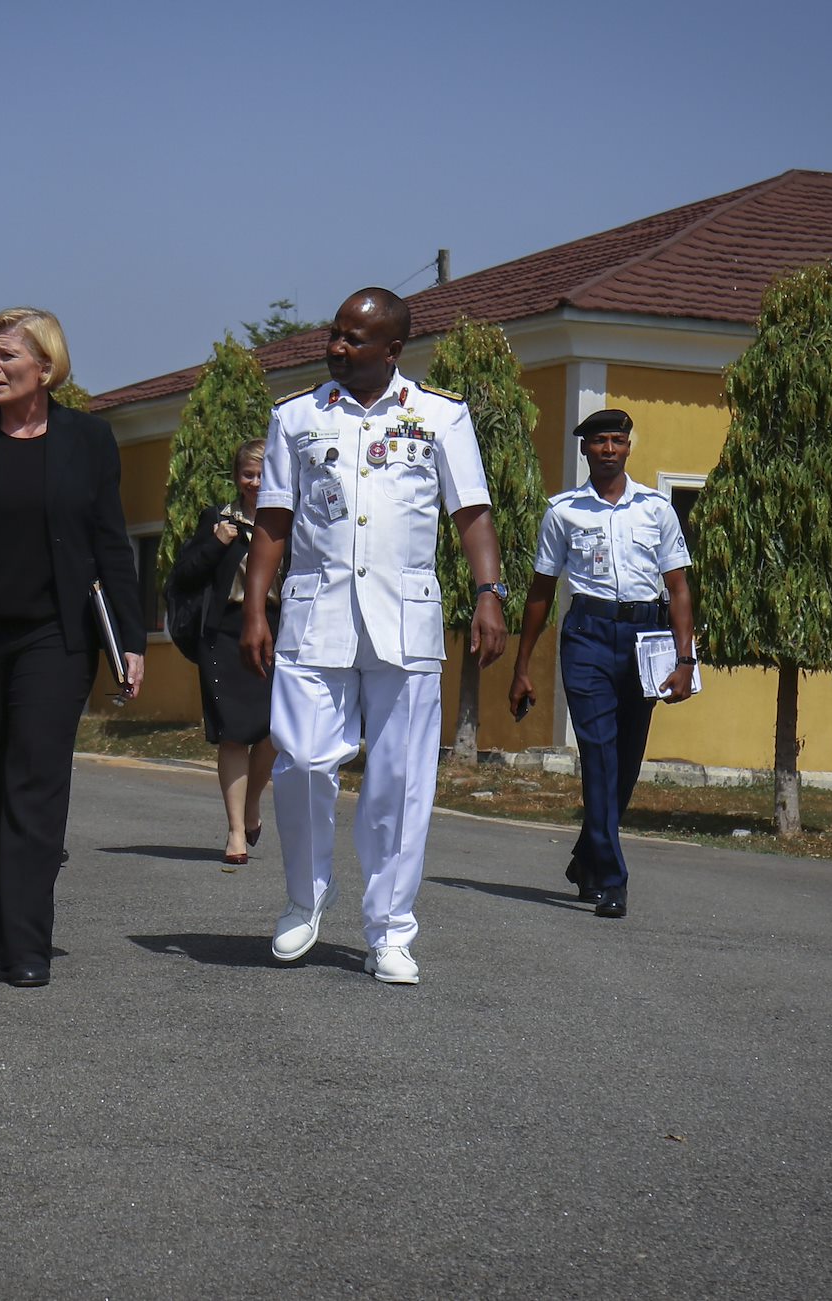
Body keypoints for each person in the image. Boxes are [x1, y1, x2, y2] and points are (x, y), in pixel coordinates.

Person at [240, 287, 509, 986]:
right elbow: (273, 519)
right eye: (335, 334)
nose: (337, 347)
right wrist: (254, 607)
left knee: (400, 781)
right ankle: (304, 900)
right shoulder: (295, 417)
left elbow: (472, 513)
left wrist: (489, 594)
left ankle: (390, 930)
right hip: (313, 618)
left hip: (405, 621)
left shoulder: (440, 415)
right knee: (299, 761)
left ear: (393, 350)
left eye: (355, 339)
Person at [0, 306, 145, 988]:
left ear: (45, 366)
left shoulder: (90, 440)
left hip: (56, 637)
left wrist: (130, 639)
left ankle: (28, 942)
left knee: (36, 783)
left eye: (6, 356)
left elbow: (112, 542)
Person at [507, 408, 697, 919]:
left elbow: (678, 587)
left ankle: (587, 855)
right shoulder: (563, 512)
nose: (609, 449)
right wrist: (522, 666)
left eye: (617, 440)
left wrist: (685, 657)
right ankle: (612, 879)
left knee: (628, 760)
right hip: (587, 636)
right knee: (598, 753)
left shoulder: (656, 509)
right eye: (599, 441)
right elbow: (541, 592)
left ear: (629, 447)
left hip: (645, 637)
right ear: (585, 449)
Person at [167, 438, 277, 868]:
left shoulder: (290, 520)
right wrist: (216, 542)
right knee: (233, 733)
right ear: (237, 478)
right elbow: (184, 574)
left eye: (262, 473)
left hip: (277, 631)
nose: (254, 482)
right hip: (225, 634)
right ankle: (235, 830)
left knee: (275, 731)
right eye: (248, 474)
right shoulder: (218, 519)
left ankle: (251, 806)